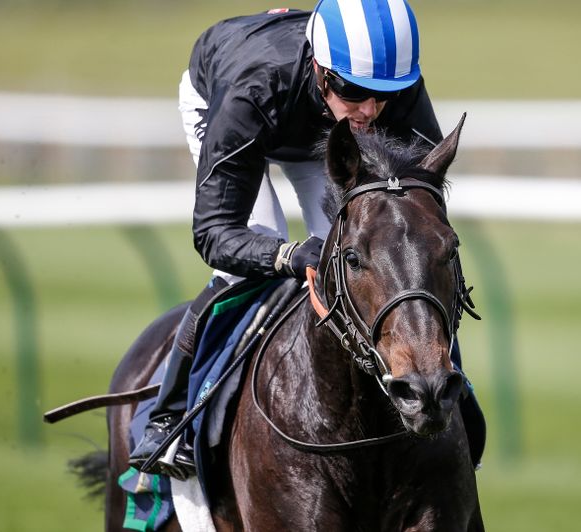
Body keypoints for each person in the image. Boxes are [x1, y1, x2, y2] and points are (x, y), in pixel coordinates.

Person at [129, 0, 443, 476]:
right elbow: (216, 234)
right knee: (247, 265)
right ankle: (169, 415)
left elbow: (420, 207)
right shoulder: (250, 91)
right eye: (355, 92)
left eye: (385, 95)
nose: (370, 109)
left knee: (382, 264)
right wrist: (288, 255)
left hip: (320, 130)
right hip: (247, 109)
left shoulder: (390, 87)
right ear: (321, 68)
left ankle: (450, 402)